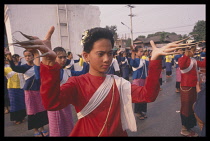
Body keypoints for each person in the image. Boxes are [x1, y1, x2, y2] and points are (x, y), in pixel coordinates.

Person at [12, 26, 182, 136]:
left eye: (110, 53)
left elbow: (149, 95)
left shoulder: (118, 82)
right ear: (86, 56)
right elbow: (51, 104)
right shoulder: (77, 83)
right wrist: (49, 65)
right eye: (100, 54)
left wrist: (155, 60)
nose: (107, 59)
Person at [5, 48, 49, 137]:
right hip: (29, 92)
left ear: (33, 56)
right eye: (26, 56)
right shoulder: (23, 67)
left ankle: (42, 128)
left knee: (41, 110)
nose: (28, 57)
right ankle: (35, 130)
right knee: (32, 111)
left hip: (39, 91)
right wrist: (9, 57)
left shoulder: (38, 66)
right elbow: (14, 68)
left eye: (29, 55)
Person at [47, 46, 88, 136]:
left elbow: (82, 73)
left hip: (65, 105)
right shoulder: (50, 72)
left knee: (68, 127)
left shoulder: (67, 72)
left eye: (65, 57)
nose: (63, 59)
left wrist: (85, 60)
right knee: (57, 130)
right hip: (55, 107)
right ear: (54, 58)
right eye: (60, 57)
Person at [178, 45, 206, 137]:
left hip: (193, 86)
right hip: (186, 87)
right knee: (186, 108)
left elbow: (203, 64)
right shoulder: (182, 59)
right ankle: (184, 129)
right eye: (193, 51)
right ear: (188, 51)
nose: (194, 53)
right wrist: (186, 54)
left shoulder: (193, 60)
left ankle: (189, 126)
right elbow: (182, 66)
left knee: (192, 107)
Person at [4, 53, 27, 125]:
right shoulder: (7, 69)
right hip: (12, 89)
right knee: (15, 105)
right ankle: (16, 119)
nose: (15, 62)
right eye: (13, 61)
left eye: (16, 60)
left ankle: (22, 117)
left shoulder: (19, 67)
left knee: (21, 103)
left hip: (21, 87)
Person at [130, 45, 149, 120]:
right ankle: (138, 112)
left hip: (144, 80)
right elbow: (132, 63)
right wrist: (132, 53)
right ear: (136, 52)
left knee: (143, 95)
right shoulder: (135, 60)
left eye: (142, 51)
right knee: (138, 96)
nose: (142, 53)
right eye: (140, 51)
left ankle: (142, 111)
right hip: (137, 80)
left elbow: (150, 63)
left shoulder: (143, 60)